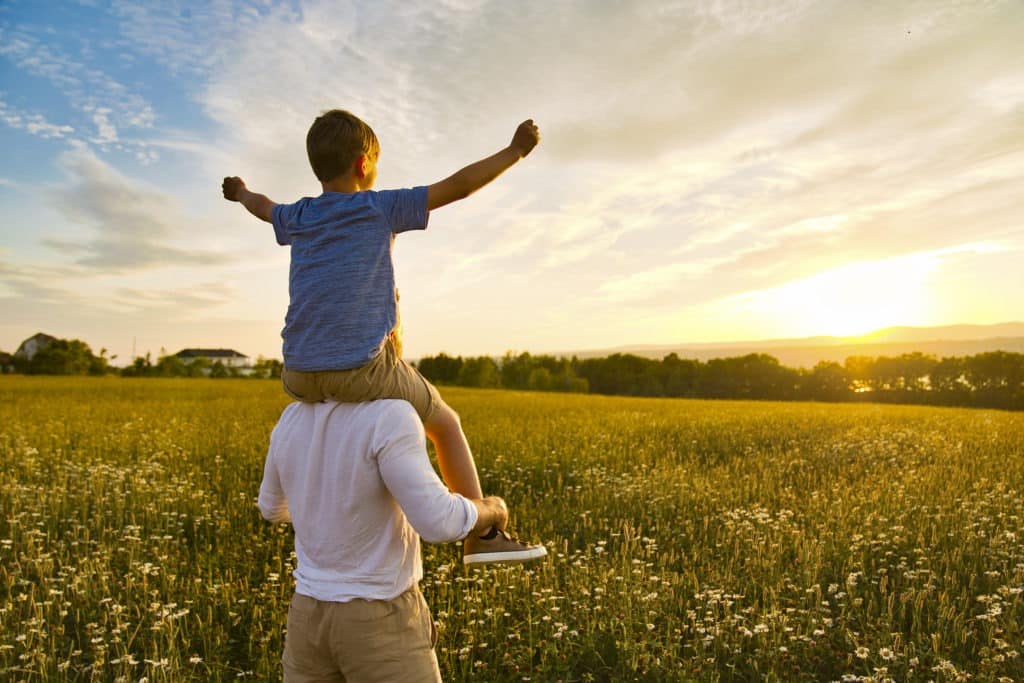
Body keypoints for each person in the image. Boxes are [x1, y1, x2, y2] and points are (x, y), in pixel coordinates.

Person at [224, 110, 545, 564]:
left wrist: (238, 193)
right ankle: (484, 536)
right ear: (362, 165)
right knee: (445, 423)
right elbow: (459, 185)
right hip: (360, 368)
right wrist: (515, 151)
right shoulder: (377, 206)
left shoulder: (298, 215)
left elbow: (261, 206)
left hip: (297, 375)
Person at [259, 399, 512, 682]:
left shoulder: (293, 415)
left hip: (306, 615)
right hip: (380, 616)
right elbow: (438, 522)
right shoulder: (389, 413)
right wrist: (493, 508)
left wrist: (325, 507)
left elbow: (271, 507)